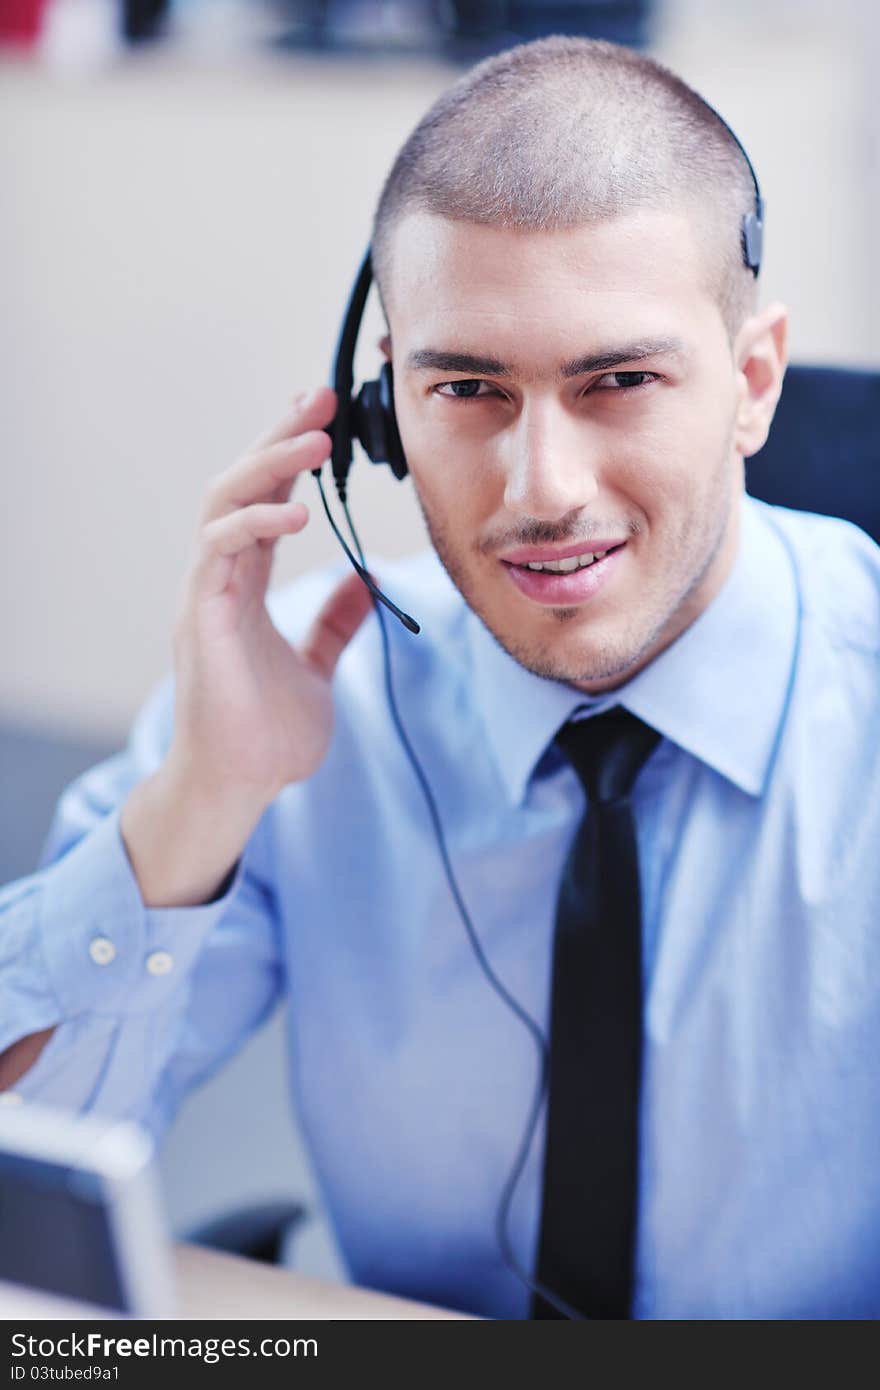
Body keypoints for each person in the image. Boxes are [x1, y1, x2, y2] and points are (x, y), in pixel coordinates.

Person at [1, 36, 878, 1321]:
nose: (542, 490)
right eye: (467, 387)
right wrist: (200, 803)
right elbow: (29, 1192)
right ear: (377, 420)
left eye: (619, 380)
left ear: (750, 383)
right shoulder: (310, 688)